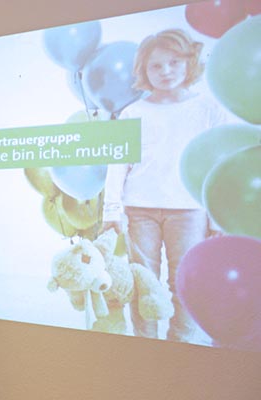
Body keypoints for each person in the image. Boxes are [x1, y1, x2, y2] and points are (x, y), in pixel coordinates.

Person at [103, 29, 227, 343]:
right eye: (156, 66)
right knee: (143, 281)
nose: (166, 71)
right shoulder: (132, 113)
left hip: (189, 210)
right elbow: (118, 166)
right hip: (140, 208)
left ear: (190, 62)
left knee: (183, 282)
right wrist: (112, 211)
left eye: (174, 62)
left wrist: (216, 218)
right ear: (143, 70)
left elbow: (217, 166)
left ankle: (180, 344)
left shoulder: (208, 110)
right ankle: (146, 342)